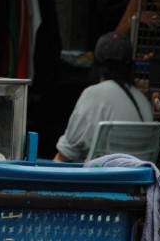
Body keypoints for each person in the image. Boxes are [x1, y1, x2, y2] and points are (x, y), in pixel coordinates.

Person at [55, 31, 153, 162]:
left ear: (95, 63)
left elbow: (67, 153)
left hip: (100, 180)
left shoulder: (94, 94)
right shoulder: (143, 100)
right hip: (135, 180)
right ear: (130, 65)